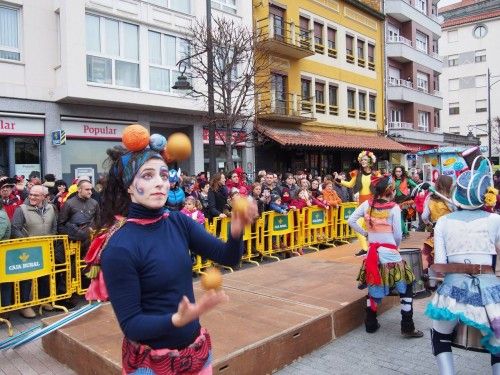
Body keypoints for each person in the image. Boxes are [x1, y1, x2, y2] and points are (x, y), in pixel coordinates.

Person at [91, 133, 256, 374]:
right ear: (129, 187)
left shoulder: (178, 221)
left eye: (164, 175)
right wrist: (176, 320)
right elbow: (131, 325)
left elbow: (230, 258)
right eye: (148, 175)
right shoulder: (119, 246)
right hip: (151, 364)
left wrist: (236, 230)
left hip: (196, 355)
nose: (160, 182)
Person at [425, 148, 500, 374]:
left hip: (453, 290)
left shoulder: (444, 222)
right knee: (498, 340)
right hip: (489, 291)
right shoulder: (495, 219)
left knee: (439, 333)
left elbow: (439, 264)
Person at [347, 175, 423, 338]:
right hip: (390, 255)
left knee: (373, 285)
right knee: (407, 287)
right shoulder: (394, 208)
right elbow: (397, 234)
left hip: (372, 254)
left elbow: (351, 220)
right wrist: (394, 247)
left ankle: (371, 323)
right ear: (390, 191)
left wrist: (366, 234)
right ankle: (407, 327)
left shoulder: (367, 204)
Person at [11, 185, 57, 318]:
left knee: (45, 275)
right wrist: (26, 243)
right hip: (28, 250)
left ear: (44, 197)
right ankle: (25, 306)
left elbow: (54, 226)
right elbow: (15, 228)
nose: (32, 197)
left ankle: (44, 300)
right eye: (30, 194)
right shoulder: (21, 209)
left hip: (45, 248)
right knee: (27, 278)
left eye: (36, 195)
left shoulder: (51, 208)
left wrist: (51, 240)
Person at [339, 150, 378, 256]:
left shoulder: (376, 174)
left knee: (375, 226)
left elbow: (381, 187)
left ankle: (375, 247)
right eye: (362, 160)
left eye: (365, 159)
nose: (363, 161)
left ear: (370, 161)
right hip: (361, 203)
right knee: (354, 223)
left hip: (373, 203)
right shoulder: (357, 174)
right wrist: (339, 181)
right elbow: (350, 184)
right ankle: (365, 248)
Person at [391, 165, 412, 238]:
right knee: (399, 217)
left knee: (400, 217)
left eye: (399, 171)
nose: (398, 173)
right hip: (395, 200)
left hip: (405, 200)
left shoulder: (406, 179)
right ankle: (405, 232)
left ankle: (405, 232)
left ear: (402, 172)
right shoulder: (392, 179)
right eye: (396, 171)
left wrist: (421, 190)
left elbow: (415, 185)